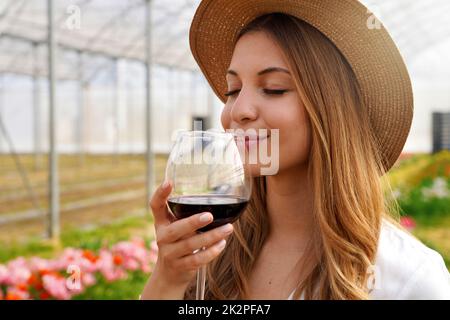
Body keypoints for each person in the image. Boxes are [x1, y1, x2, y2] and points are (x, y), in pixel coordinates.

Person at [141, 0, 450, 299]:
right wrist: (168, 278)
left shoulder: (410, 281)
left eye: (274, 88)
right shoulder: (211, 250)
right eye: (233, 90)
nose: (238, 110)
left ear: (331, 111)